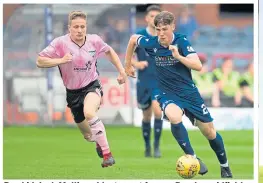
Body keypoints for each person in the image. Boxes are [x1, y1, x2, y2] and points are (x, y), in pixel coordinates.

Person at [124, 11, 233, 178]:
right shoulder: (152, 42)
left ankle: (225, 166)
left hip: (189, 93)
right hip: (166, 93)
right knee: (174, 117)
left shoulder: (181, 41)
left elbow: (197, 65)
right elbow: (133, 40)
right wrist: (128, 65)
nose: (161, 33)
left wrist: (178, 56)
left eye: (164, 29)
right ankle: (194, 158)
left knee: (209, 132)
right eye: (158, 29)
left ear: (173, 27)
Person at [36, 11, 127, 168]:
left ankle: (107, 155)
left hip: (91, 86)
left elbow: (109, 51)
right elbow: (39, 61)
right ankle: (98, 142)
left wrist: (122, 71)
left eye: (82, 27)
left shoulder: (94, 41)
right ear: (69, 28)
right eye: (76, 27)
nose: (79, 30)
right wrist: (60, 60)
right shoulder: (60, 43)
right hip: (72, 93)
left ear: (86, 27)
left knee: (90, 112)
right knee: (88, 135)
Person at [132, 5, 163, 158]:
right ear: (146, 18)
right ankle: (147, 146)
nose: (154, 19)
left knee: (158, 111)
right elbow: (128, 58)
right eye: (152, 16)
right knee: (146, 116)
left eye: (157, 17)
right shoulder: (139, 36)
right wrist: (137, 64)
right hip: (143, 81)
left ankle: (157, 146)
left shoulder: (163, 36)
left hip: (159, 81)